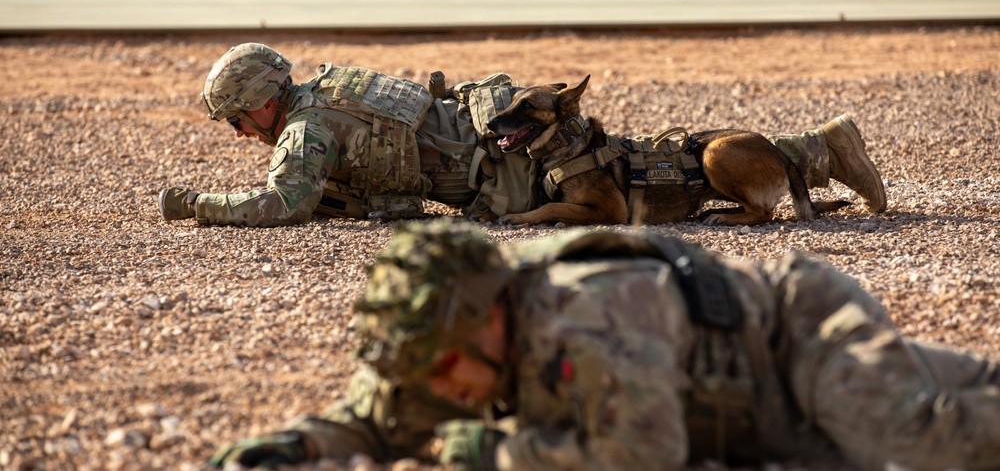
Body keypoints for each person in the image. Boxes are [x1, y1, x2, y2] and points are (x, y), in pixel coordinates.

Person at [210, 219, 1000, 471]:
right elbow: (379, 419)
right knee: (967, 391)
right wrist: (297, 444)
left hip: (791, 337)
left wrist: (500, 453)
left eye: (444, 364)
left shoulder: (591, 315)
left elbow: (646, 450)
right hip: (743, 414)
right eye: (425, 369)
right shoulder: (446, 349)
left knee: (905, 434)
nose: (441, 387)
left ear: (491, 316)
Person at [158, 42, 886, 227]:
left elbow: (280, 204)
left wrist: (195, 204)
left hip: (497, 162)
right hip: (485, 118)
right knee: (638, 158)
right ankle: (813, 150)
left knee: (642, 176)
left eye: (234, 118)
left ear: (258, 103)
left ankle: (817, 149)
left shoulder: (305, 129)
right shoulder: (326, 86)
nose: (235, 131)